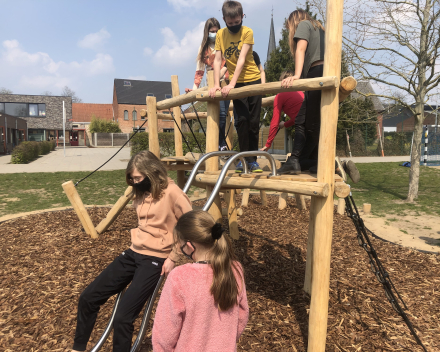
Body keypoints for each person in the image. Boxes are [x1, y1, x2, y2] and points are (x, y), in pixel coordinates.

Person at [71, 151, 192, 352]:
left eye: (138, 178)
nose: (135, 183)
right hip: (134, 252)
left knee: (122, 318)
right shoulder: (141, 192)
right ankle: (78, 348)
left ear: (152, 173)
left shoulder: (173, 192)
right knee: (88, 297)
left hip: (156, 257)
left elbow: (190, 225)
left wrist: (174, 256)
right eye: (132, 179)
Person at [152, 210, 249, 352]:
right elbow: (242, 316)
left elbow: (165, 334)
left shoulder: (179, 277)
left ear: (189, 246)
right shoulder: (235, 269)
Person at [209, 0, 263, 173]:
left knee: (253, 122)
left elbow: (241, 59)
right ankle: (242, 159)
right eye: (230, 23)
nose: (233, 25)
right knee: (241, 121)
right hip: (236, 82)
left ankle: (252, 160)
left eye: (237, 22)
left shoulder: (247, 32)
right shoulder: (220, 35)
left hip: (252, 79)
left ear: (242, 17)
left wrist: (231, 83)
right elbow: (218, 60)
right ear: (224, 19)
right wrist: (217, 85)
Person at [278, 9, 325, 174]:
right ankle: (296, 160)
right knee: (301, 120)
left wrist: (296, 75)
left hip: (316, 73)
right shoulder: (320, 28)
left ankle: (327, 161)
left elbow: (300, 49)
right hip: (322, 74)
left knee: (312, 123)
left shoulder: (305, 24)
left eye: (289, 28)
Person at [185, 18, 231, 151]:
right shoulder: (204, 48)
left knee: (224, 114)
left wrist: (222, 73)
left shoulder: (224, 43)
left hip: (226, 81)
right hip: (213, 83)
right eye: (212, 32)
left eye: (217, 31)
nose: (214, 34)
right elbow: (199, 71)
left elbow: (229, 63)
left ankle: (220, 142)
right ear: (207, 32)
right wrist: (194, 90)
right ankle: (220, 143)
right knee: (220, 114)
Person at [260, 71, 304, 163]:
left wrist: (268, 144)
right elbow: (298, 116)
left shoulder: (280, 96)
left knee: (298, 161)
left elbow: (275, 122)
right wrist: (285, 124)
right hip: (312, 122)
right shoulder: (300, 93)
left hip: (302, 127)